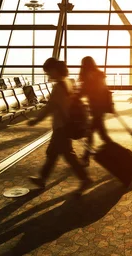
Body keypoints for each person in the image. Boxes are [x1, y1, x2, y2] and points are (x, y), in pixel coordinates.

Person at [27, 57, 92, 193]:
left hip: (62, 126)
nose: (48, 75)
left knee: (67, 155)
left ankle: (85, 179)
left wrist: (36, 120)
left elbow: (49, 107)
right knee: (53, 152)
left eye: (49, 71)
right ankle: (42, 178)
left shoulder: (58, 87)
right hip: (67, 124)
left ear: (55, 70)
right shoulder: (69, 81)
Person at [78, 56, 114, 165]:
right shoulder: (99, 74)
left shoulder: (90, 76)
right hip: (100, 108)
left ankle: (86, 158)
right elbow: (104, 90)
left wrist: (74, 97)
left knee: (94, 133)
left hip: (96, 109)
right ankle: (86, 157)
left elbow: (85, 91)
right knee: (100, 134)